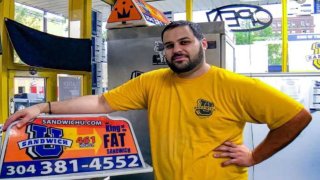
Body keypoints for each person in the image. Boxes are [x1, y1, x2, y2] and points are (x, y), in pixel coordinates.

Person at [4, 20, 312, 180]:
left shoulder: (234, 85)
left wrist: (255, 156)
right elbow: (101, 104)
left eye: (184, 42)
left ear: (202, 44)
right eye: (169, 45)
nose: (176, 49)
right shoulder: (153, 82)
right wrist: (42, 108)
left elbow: (296, 116)